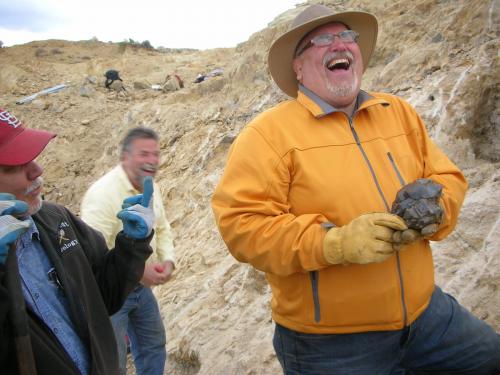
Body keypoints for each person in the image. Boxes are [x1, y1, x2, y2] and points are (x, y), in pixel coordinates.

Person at [211, 5, 500, 374]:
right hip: (329, 344)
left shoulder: (398, 112)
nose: (340, 45)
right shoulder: (266, 136)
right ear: (297, 68)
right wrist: (334, 244)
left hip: (426, 316)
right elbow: (242, 228)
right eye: (322, 40)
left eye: (347, 36)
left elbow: (448, 176)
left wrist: (437, 208)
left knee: (490, 357)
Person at [0, 108, 155, 374]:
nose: (37, 171)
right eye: (15, 165)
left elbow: (103, 297)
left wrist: (131, 245)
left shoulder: (55, 219)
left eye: (33, 157)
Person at [81, 127, 175, 375]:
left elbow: (162, 226)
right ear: (125, 157)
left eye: (156, 154)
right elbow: (91, 251)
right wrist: (135, 270)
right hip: (110, 294)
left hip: (140, 289)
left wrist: (168, 260)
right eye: (144, 154)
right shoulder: (102, 195)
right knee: (113, 361)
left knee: (153, 345)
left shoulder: (149, 188)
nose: (152, 161)